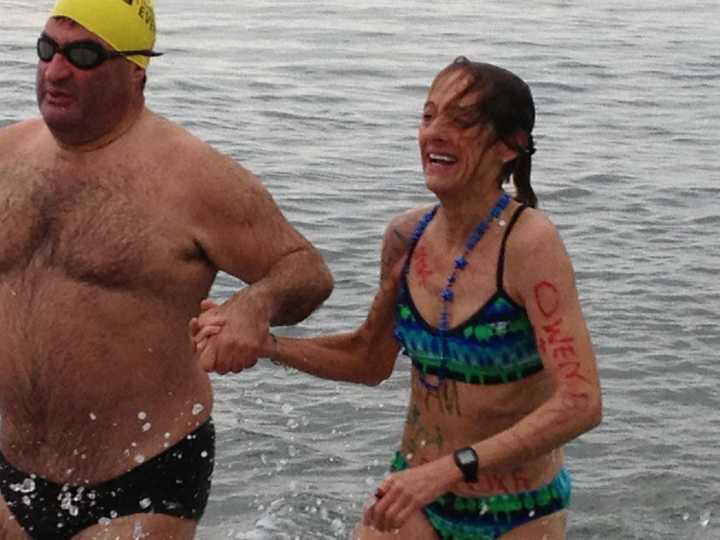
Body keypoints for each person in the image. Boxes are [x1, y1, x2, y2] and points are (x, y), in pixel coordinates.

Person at [193, 56, 603, 539]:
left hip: (516, 509)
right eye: (429, 116)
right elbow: (369, 358)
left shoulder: (529, 243)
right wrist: (267, 345)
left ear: (509, 146)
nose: (436, 133)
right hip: (413, 497)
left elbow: (581, 402)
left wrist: (451, 468)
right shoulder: (407, 237)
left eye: (462, 120)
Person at [0, 0, 333, 538]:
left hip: (140, 477)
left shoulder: (194, 178)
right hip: (13, 469)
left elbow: (306, 270)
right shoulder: (6, 156)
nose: (55, 71)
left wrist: (254, 303)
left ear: (136, 71)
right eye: (47, 50)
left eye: (84, 55)